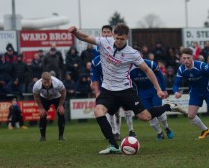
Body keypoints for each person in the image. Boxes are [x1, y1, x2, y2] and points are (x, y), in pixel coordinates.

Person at [69, 23, 183, 154]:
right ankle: (113, 145)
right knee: (98, 111)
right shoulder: (105, 42)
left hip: (125, 90)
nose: (118, 41)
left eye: (122, 39)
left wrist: (158, 89)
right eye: (116, 38)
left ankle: (168, 107)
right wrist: (75, 31)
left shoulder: (132, 53)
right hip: (107, 89)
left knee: (144, 117)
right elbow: (85, 37)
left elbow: (147, 70)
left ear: (127, 37)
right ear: (113, 35)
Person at [90, 24, 137, 141]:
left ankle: (130, 130)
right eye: (104, 32)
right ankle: (114, 132)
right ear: (102, 34)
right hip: (106, 85)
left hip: (122, 84)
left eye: (108, 32)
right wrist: (94, 85)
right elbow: (95, 69)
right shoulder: (99, 47)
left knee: (126, 109)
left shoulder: (124, 48)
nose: (106, 34)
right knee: (111, 111)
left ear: (112, 34)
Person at [130, 58, 174, 140]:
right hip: (142, 93)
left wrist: (163, 89)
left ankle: (166, 127)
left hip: (154, 90)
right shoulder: (128, 68)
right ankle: (159, 133)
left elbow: (160, 75)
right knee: (149, 114)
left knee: (158, 110)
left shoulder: (150, 64)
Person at [32, 72, 67, 141]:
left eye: (48, 82)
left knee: (61, 113)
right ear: (42, 81)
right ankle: (42, 136)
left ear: (51, 80)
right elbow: (36, 96)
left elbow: (63, 92)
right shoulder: (37, 85)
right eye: (45, 83)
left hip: (57, 97)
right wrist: (41, 108)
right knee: (42, 115)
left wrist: (60, 105)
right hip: (44, 98)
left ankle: (61, 136)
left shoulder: (57, 83)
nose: (47, 84)